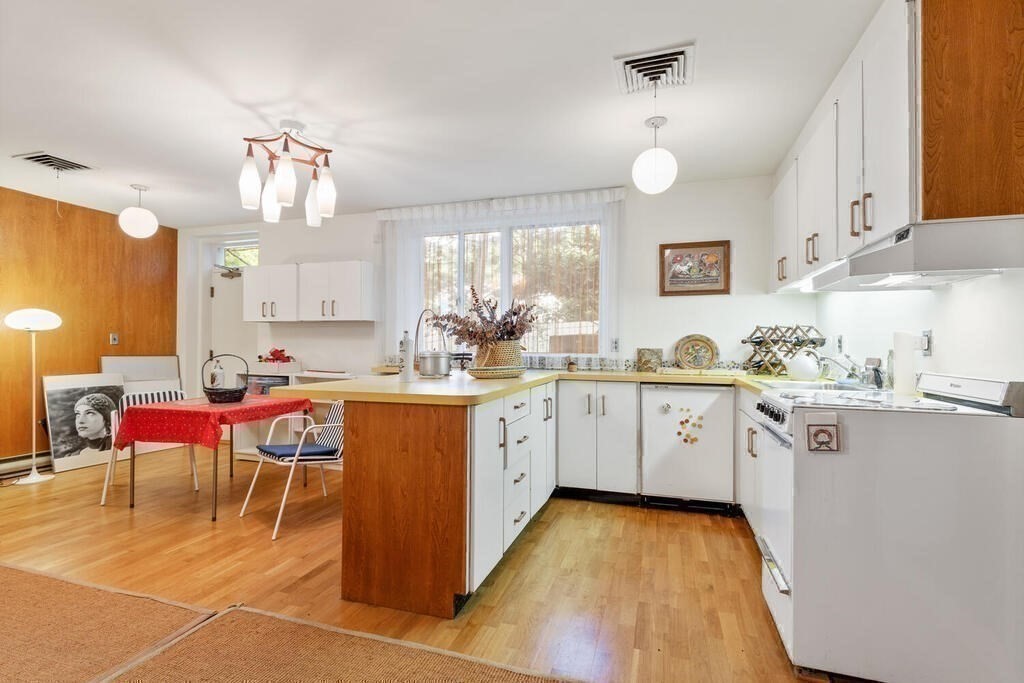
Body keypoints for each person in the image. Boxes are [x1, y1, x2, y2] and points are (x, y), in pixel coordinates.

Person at [71, 393, 116, 458]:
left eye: (89, 413)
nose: (80, 421)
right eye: (78, 414)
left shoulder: (117, 448)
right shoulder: (75, 455)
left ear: (106, 418)